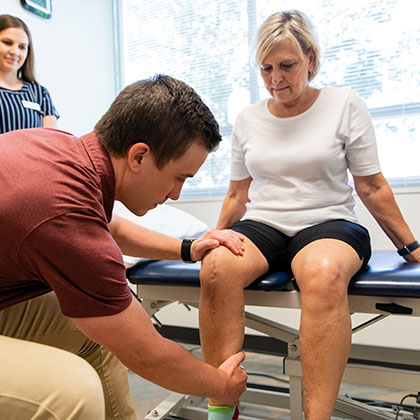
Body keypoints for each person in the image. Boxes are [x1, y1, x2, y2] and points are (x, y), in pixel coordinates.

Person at [198, 10, 420, 420]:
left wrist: (412, 248)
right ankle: (220, 409)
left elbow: (370, 185)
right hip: (265, 224)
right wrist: (212, 238)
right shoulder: (248, 118)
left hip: (330, 222)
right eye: (265, 68)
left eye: (287, 65)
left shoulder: (344, 104)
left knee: (321, 272)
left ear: (311, 59)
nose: (275, 78)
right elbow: (236, 194)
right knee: (216, 268)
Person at [0, 74, 247, 419]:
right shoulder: (65, 213)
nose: (176, 195)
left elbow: (110, 226)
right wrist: (221, 385)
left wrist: (188, 248)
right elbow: (147, 353)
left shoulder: (63, 148)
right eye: (179, 178)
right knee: (73, 393)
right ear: (139, 156)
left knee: (106, 330)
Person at [0, 14, 58, 134]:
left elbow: (52, 142)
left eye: (22, 47)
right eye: (7, 43)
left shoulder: (39, 94)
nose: (15, 52)